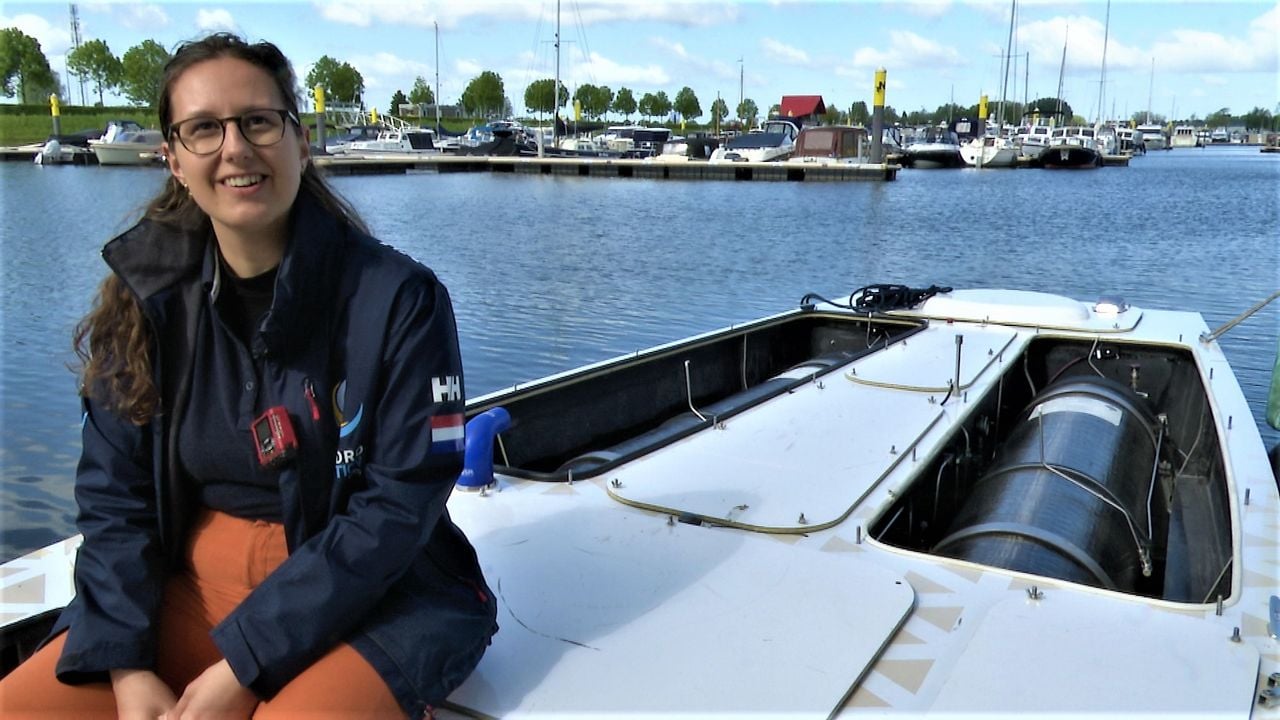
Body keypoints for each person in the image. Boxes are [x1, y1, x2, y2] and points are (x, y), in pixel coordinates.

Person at [0, 32, 497, 719]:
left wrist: (244, 663)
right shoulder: (145, 304)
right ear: (172, 158)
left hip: (375, 596)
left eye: (258, 121)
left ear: (300, 140)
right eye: (204, 128)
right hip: (189, 585)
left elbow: (397, 506)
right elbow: (115, 498)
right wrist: (125, 664)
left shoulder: (399, 302)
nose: (235, 147)